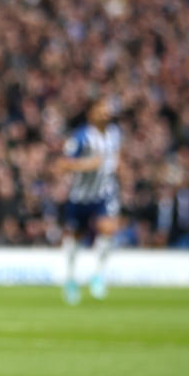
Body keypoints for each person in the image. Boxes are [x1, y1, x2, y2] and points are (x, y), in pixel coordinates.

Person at [54, 97, 122, 304]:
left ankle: (98, 275)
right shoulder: (81, 137)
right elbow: (62, 164)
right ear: (91, 112)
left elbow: (115, 158)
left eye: (106, 108)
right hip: (80, 196)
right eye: (100, 108)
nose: (105, 112)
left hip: (104, 194)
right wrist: (87, 165)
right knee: (75, 238)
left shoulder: (114, 134)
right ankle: (70, 280)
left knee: (109, 229)